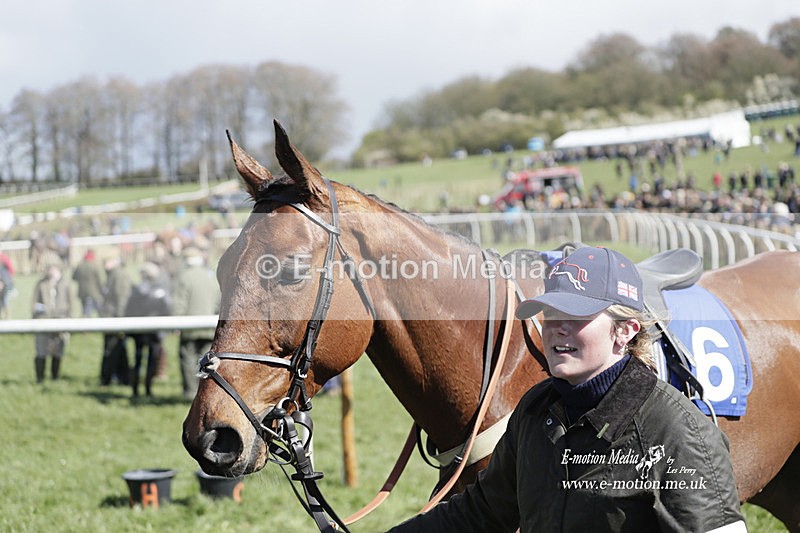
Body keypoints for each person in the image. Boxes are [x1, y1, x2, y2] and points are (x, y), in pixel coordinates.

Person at [390, 247, 744, 532]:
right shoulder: (535, 409)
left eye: (576, 316)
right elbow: (481, 512)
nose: (557, 327)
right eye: (550, 313)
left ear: (625, 330)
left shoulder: (679, 435)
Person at [172, 246, 219, 399]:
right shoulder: (210, 275)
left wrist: (176, 323)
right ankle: (205, 392)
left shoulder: (183, 276)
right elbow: (218, 301)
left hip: (189, 326)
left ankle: (190, 393)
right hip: (208, 325)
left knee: (188, 358)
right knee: (205, 359)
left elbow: (179, 302)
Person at [125, 262, 171, 397]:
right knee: (152, 359)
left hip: (138, 330)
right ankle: (148, 389)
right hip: (155, 331)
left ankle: (135, 389)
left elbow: (129, 311)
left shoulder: (136, 291)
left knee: (138, 358)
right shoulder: (161, 292)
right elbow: (166, 310)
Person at [32, 263, 72, 382]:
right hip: (43, 321)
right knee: (41, 350)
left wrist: (70, 320)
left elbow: (71, 303)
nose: (50, 272)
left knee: (58, 350)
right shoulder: (41, 284)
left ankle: (55, 377)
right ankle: (40, 378)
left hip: (60, 321)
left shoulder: (65, 284)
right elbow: (34, 303)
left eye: (53, 269)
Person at [100, 251, 131, 386]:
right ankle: (124, 378)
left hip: (114, 318)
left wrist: (120, 319)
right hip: (113, 317)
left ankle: (106, 379)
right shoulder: (114, 274)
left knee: (111, 349)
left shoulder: (118, 275)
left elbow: (121, 298)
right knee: (119, 349)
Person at [72, 249, 104, 317]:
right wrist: (101, 290)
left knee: (85, 310)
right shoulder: (94, 266)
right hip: (93, 292)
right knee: (99, 309)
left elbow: (74, 277)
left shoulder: (80, 266)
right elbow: (99, 280)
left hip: (82, 292)